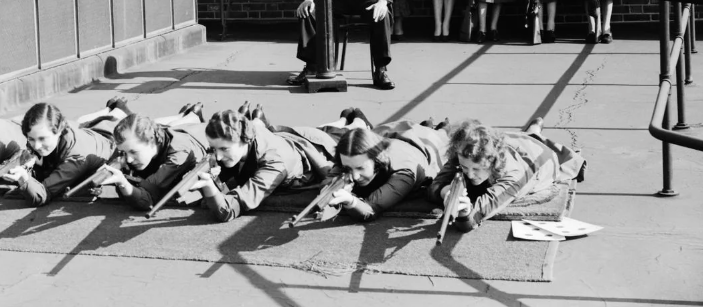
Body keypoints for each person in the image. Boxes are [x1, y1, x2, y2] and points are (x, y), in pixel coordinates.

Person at [427, 118, 585, 232]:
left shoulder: (513, 177)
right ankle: (532, 131)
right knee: (524, 136)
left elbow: (474, 218)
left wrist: (465, 211)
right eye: (464, 167)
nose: (469, 174)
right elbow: (435, 185)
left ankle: (534, 132)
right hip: (510, 139)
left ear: (492, 161)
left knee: (534, 141)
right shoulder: (465, 152)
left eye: (476, 169)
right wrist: (446, 192)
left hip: (538, 157)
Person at [188, 106, 342, 222]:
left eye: (224, 149)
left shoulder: (274, 164)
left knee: (349, 129)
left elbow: (227, 211)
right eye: (213, 148)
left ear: (245, 140)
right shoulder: (244, 132)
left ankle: (355, 119)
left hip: (324, 144)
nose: (219, 156)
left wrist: (209, 186)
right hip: (292, 137)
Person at [324, 118, 449, 221]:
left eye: (361, 168)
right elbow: (328, 180)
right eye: (348, 168)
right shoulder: (352, 153)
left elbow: (370, 210)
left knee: (441, 133)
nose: (355, 176)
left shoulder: (404, 173)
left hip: (424, 145)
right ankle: (427, 124)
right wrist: (335, 185)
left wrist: (351, 201)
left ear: (376, 159)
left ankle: (439, 127)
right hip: (389, 132)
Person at [2, 102, 116, 206]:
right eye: (31, 139)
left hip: (105, 140)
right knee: (82, 120)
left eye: (42, 139)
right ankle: (108, 109)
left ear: (59, 131)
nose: (36, 146)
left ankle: (115, 110)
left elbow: (42, 195)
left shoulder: (77, 157)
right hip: (83, 128)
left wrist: (25, 179)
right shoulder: (47, 132)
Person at [96, 109, 210, 212]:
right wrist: (108, 168)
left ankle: (193, 115)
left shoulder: (178, 155)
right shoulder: (137, 142)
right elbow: (118, 155)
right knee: (163, 126)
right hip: (174, 130)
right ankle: (188, 114)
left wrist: (123, 182)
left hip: (197, 136)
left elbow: (147, 193)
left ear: (151, 141)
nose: (129, 159)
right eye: (125, 152)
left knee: (175, 126)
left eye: (134, 152)